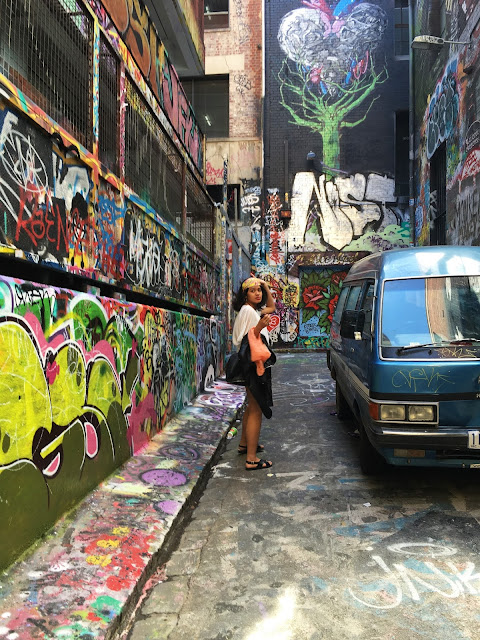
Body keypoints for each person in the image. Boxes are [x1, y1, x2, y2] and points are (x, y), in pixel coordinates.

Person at [232, 277, 276, 470]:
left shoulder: (250, 309)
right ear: (245, 294)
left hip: (249, 363)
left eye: (259, 290)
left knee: (251, 405)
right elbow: (249, 337)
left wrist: (265, 285)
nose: (258, 293)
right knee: (256, 407)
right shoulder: (249, 311)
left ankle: (245, 444)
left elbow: (271, 307)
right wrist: (260, 327)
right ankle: (251, 459)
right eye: (253, 290)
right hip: (253, 364)